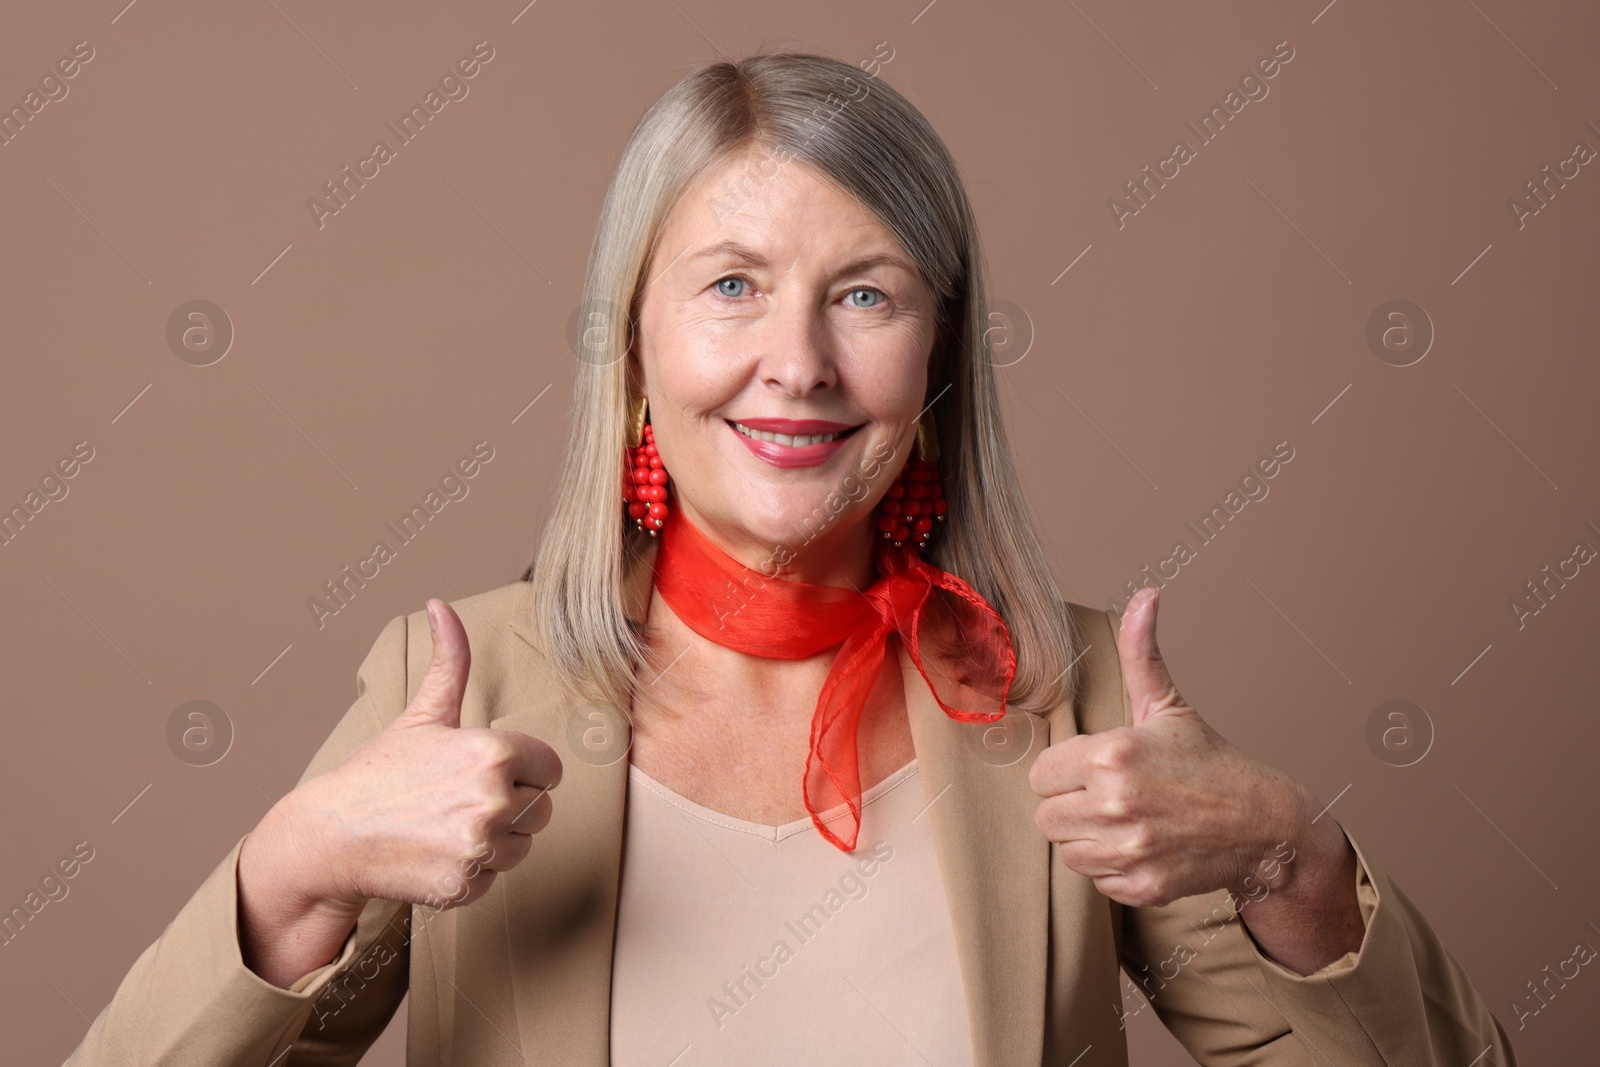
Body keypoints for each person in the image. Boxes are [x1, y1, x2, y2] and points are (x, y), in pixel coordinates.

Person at [65, 51, 1515, 1066]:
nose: (797, 365)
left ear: (938, 359)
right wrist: (296, 865)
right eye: (734, 287)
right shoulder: (462, 687)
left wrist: (1289, 852)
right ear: (634, 348)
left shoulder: (1068, 701)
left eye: (866, 294)